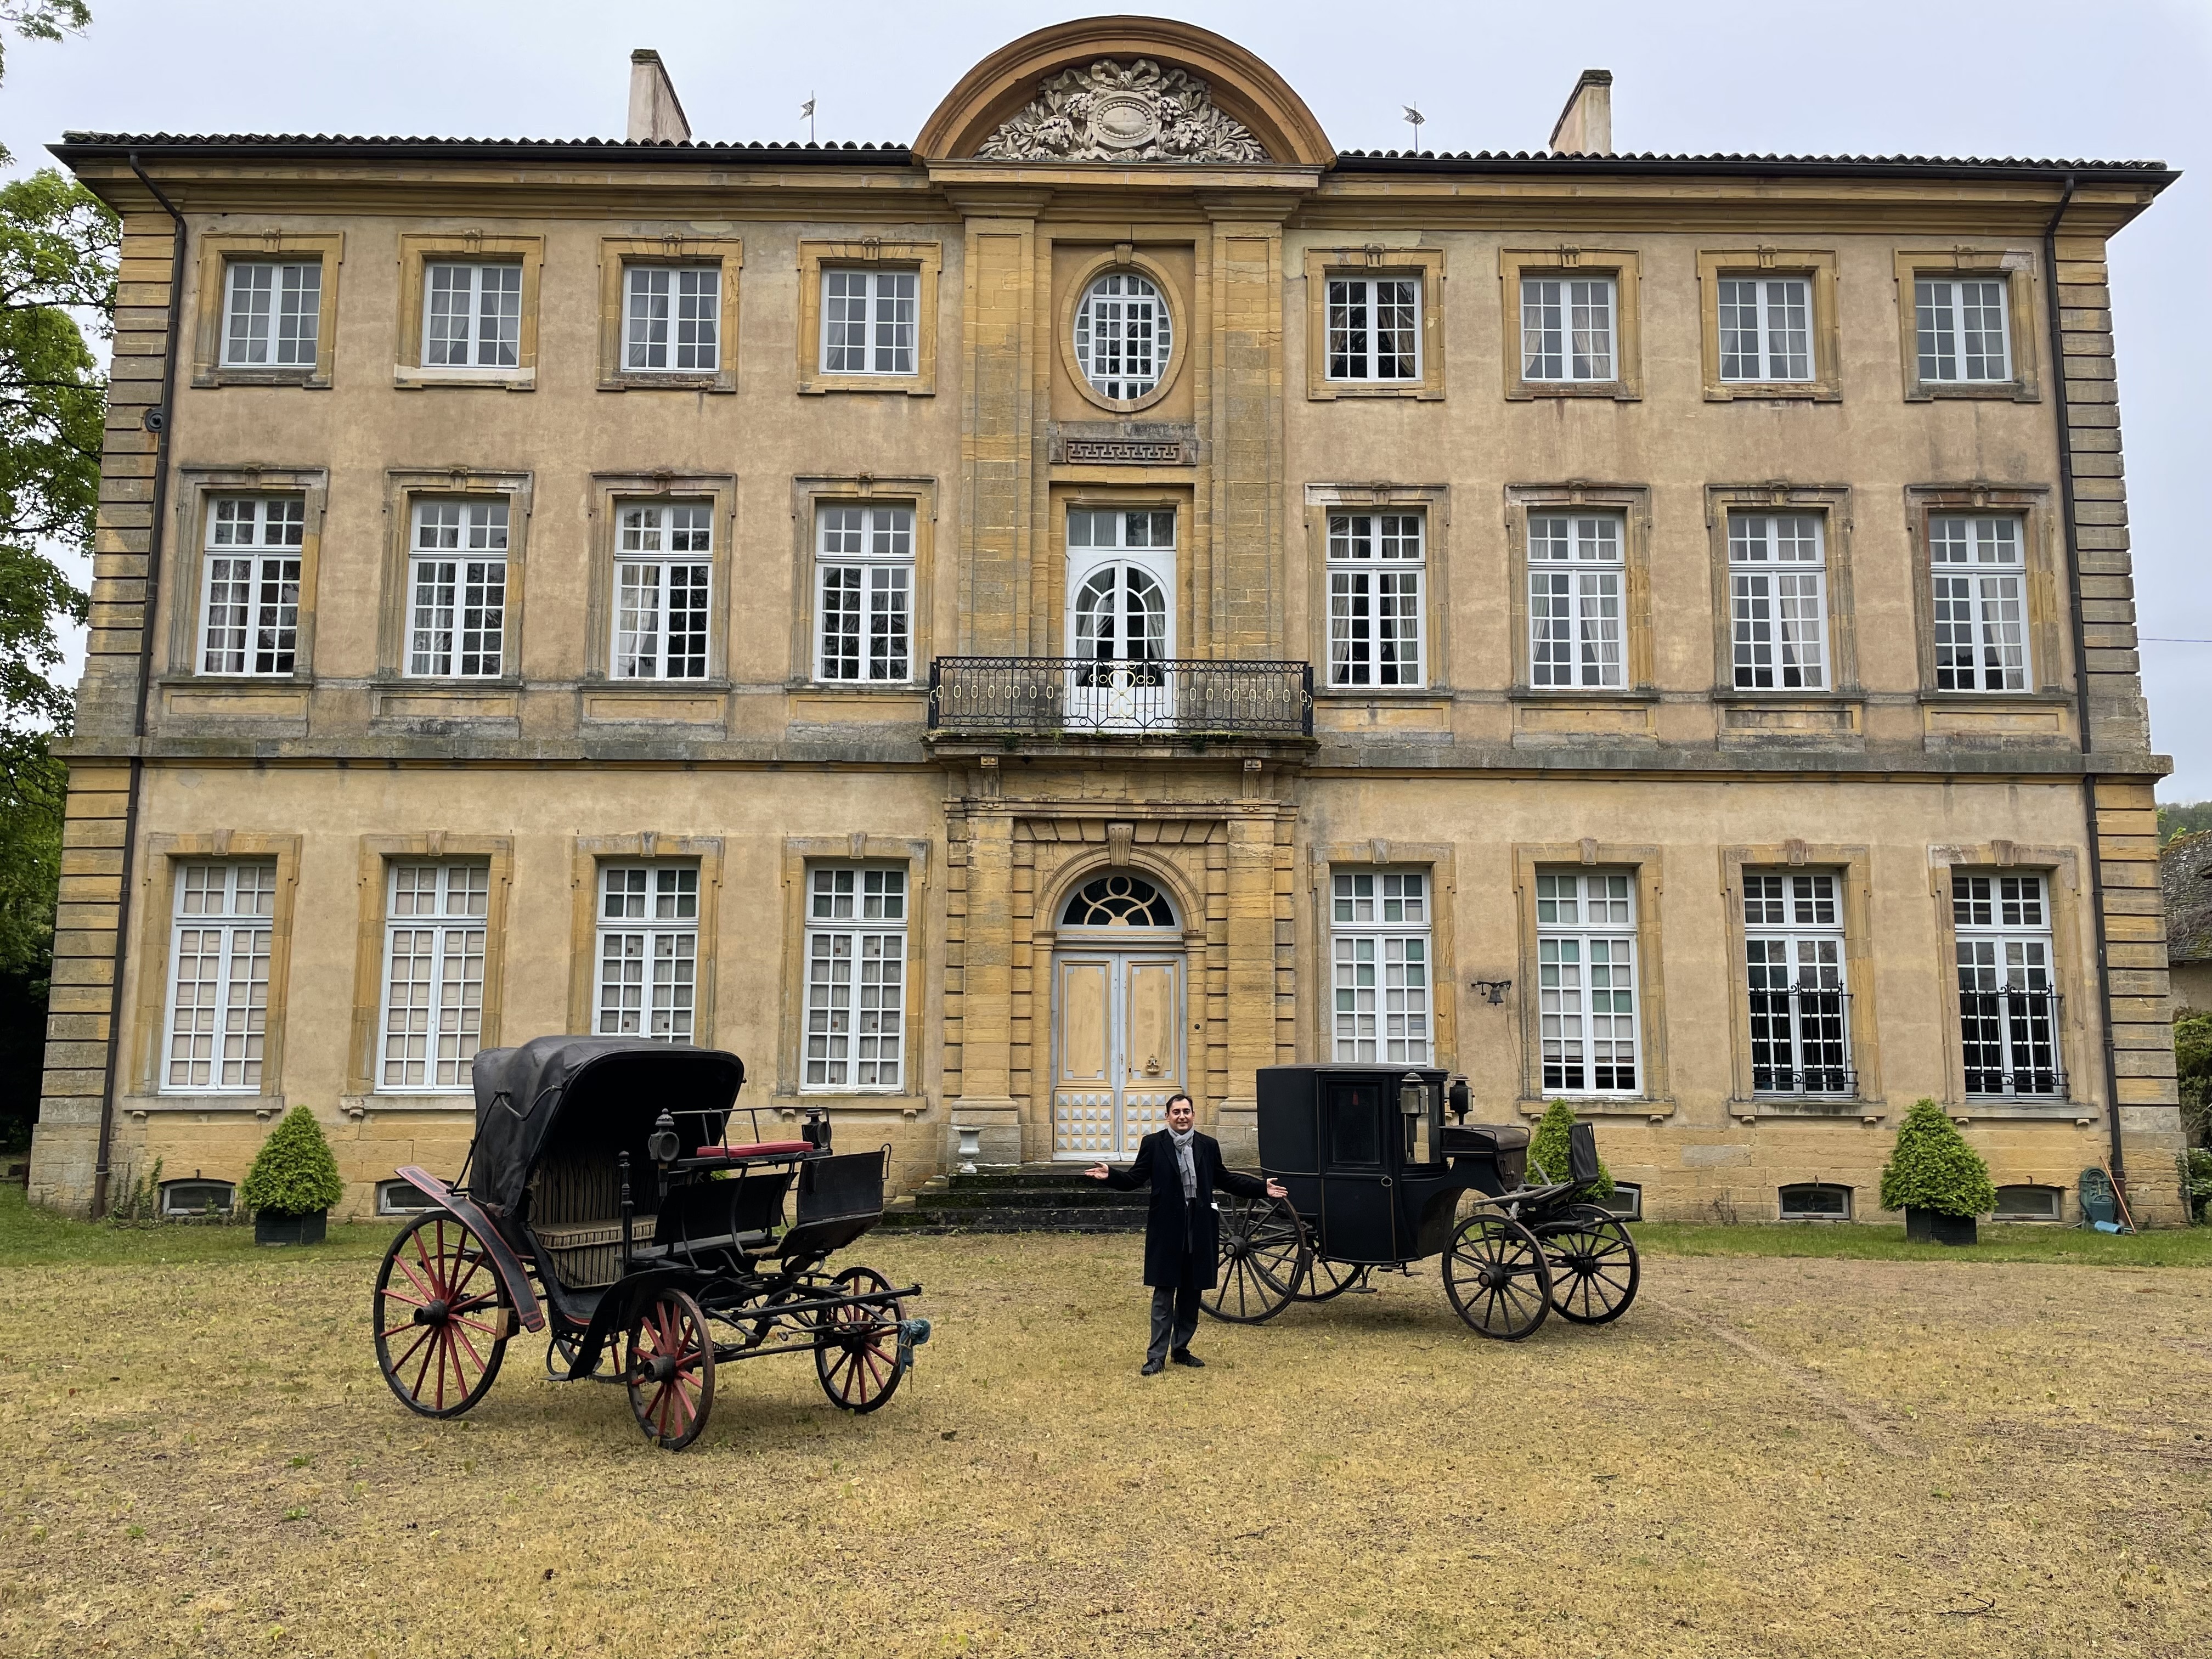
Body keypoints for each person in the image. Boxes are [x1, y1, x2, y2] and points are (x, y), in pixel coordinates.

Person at [1086, 1093, 1288, 1375]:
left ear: (1194, 1115)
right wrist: (1112, 1175)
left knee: (1192, 1292)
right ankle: (1156, 1356)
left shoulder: (1208, 1145)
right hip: (1167, 1228)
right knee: (1164, 1292)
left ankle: (1180, 1349)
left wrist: (1260, 1188)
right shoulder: (1154, 1145)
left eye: (1187, 1111)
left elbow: (1225, 1179)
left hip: (1199, 1226)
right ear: (1167, 1116)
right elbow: (1135, 1179)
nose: (1182, 1116)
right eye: (1177, 1112)